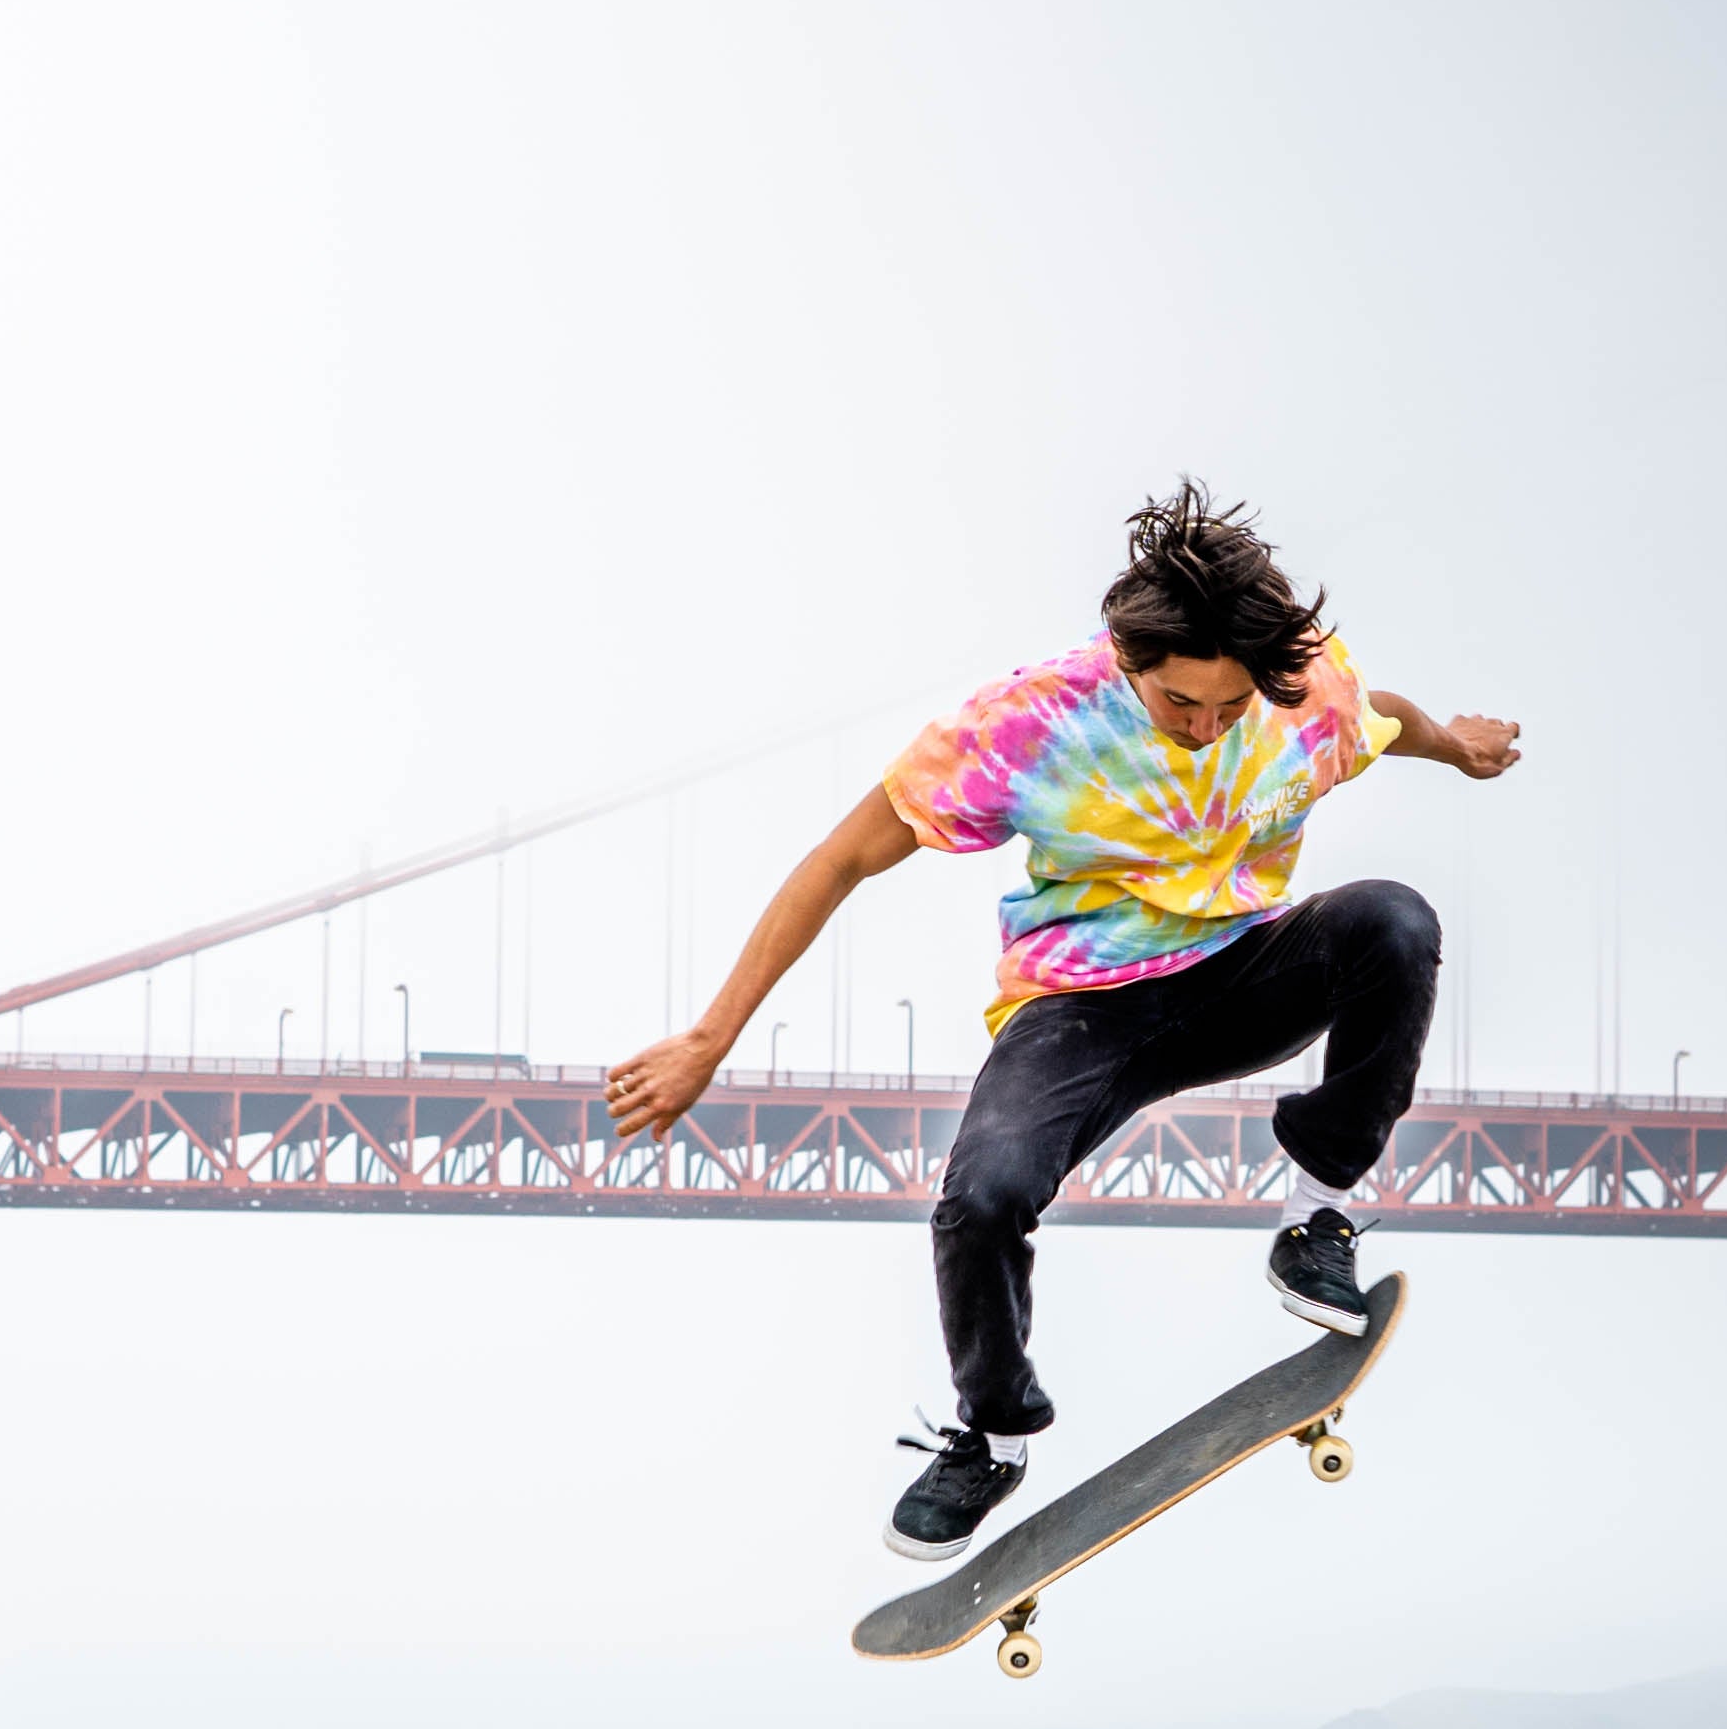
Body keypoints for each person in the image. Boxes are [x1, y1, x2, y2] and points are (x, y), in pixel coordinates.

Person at [605, 483, 1523, 1560]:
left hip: (1243, 973)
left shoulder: (1300, 688)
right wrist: (712, 1035)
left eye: (1228, 710)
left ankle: (1316, 1215)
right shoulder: (1029, 721)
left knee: (1394, 922)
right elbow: (844, 854)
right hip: (1077, 1006)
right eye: (1181, 704)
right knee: (983, 1196)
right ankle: (990, 1431)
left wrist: (1454, 746)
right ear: (1129, 659)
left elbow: (1384, 720)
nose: (1206, 729)